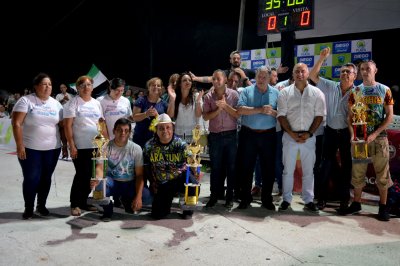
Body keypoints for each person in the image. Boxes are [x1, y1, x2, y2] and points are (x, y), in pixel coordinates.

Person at [343, 60, 394, 221]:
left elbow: (390, 116)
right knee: (358, 173)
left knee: (383, 174)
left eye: (368, 69)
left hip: (380, 138)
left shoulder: (384, 90)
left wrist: (376, 133)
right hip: (359, 140)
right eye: (362, 69)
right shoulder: (355, 91)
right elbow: (349, 117)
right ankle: (356, 203)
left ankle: (383, 207)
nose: (365, 71)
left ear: (375, 70)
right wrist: (352, 134)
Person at [11, 73, 66, 219]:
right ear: (36, 86)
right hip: (30, 148)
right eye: (44, 84)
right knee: (32, 178)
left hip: (52, 149)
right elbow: (16, 123)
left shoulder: (56, 104)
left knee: (46, 178)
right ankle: (28, 208)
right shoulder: (26, 101)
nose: (47, 87)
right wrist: (19, 145)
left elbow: (61, 127)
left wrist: (65, 145)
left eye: (50, 84)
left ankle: (41, 206)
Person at [309, 47, 357, 211]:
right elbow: (312, 76)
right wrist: (322, 58)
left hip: (346, 133)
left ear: (354, 76)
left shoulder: (358, 92)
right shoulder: (330, 86)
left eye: (348, 72)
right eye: (343, 71)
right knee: (325, 166)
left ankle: (344, 201)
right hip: (329, 131)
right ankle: (321, 199)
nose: (344, 74)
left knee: (347, 167)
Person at [277, 63, 326, 213]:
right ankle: (286, 199)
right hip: (289, 136)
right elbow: (281, 115)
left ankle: (308, 200)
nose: (299, 74)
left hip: (309, 137)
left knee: (308, 171)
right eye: (296, 71)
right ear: (292, 74)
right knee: (287, 170)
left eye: (302, 71)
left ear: (307, 73)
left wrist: (310, 133)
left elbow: (319, 115)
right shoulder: (284, 92)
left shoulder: (317, 93)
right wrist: (291, 133)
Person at [90, 118, 152, 222]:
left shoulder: (136, 148)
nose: (123, 133)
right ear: (114, 131)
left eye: (126, 130)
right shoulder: (105, 147)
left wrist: (138, 197)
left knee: (147, 198)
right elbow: (100, 168)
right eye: (119, 130)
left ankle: (127, 200)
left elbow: (140, 175)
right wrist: (97, 178)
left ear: (129, 133)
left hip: (129, 183)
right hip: (112, 182)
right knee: (99, 188)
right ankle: (108, 209)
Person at [64, 75, 107, 216]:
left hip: (95, 145)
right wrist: (71, 145)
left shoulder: (96, 103)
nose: (86, 87)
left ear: (92, 87)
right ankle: (74, 203)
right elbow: (68, 126)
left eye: (88, 85)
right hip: (80, 146)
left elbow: (100, 122)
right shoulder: (73, 103)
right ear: (77, 88)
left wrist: (104, 141)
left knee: (92, 175)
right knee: (81, 175)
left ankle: (83, 202)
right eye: (82, 85)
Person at [236, 66, 279, 210]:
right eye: (259, 76)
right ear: (256, 77)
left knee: (268, 168)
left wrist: (271, 112)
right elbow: (240, 110)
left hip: (268, 134)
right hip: (249, 134)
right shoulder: (246, 91)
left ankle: (267, 199)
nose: (261, 79)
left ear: (269, 78)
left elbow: (281, 114)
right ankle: (245, 198)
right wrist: (260, 109)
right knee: (246, 168)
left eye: (264, 77)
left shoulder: (276, 93)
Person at [143, 113, 194, 219]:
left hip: (179, 178)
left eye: (168, 127)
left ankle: (187, 208)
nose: (165, 131)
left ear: (173, 128)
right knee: (157, 215)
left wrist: (195, 173)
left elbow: (191, 162)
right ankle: (166, 204)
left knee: (193, 183)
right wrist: (152, 182)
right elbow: (146, 166)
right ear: (156, 130)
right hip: (162, 182)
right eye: (161, 128)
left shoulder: (181, 144)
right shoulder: (149, 146)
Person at [202, 70, 239, 209]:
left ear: (224, 80)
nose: (215, 81)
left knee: (231, 167)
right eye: (213, 79)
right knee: (216, 167)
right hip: (215, 136)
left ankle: (229, 197)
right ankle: (213, 196)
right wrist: (218, 109)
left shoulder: (234, 95)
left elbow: (237, 114)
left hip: (231, 135)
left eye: (218, 78)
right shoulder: (208, 97)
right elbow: (205, 117)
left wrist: (225, 106)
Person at [190, 50, 289, 87]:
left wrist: (277, 71)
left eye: (238, 58)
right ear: (230, 60)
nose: (236, 60)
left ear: (241, 60)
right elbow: (211, 78)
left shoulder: (246, 71)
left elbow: (263, 75)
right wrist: (196, 78)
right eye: (234, 58)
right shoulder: (225, 73)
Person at [132, 77, 170, 148]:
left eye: (158, 85)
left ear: (161, 88)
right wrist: (146, 114)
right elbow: (134, 117)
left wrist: (157, 116)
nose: (156, 87)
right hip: (140, 138)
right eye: (153, 85)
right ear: (148, 87)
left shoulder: (164, 104)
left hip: (157, 139)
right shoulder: (141, 100)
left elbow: (166, 122)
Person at [167, 72, 203, 142]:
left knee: (193, 153)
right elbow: (170, 115)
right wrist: (172, 98)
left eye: (189, 80)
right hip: (178, 134)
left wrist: (198, 102)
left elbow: (198, 115)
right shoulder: (174, 96)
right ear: (180, 84)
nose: (188, 82)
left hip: (194, 134)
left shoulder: (196, 96)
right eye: (184, 80)